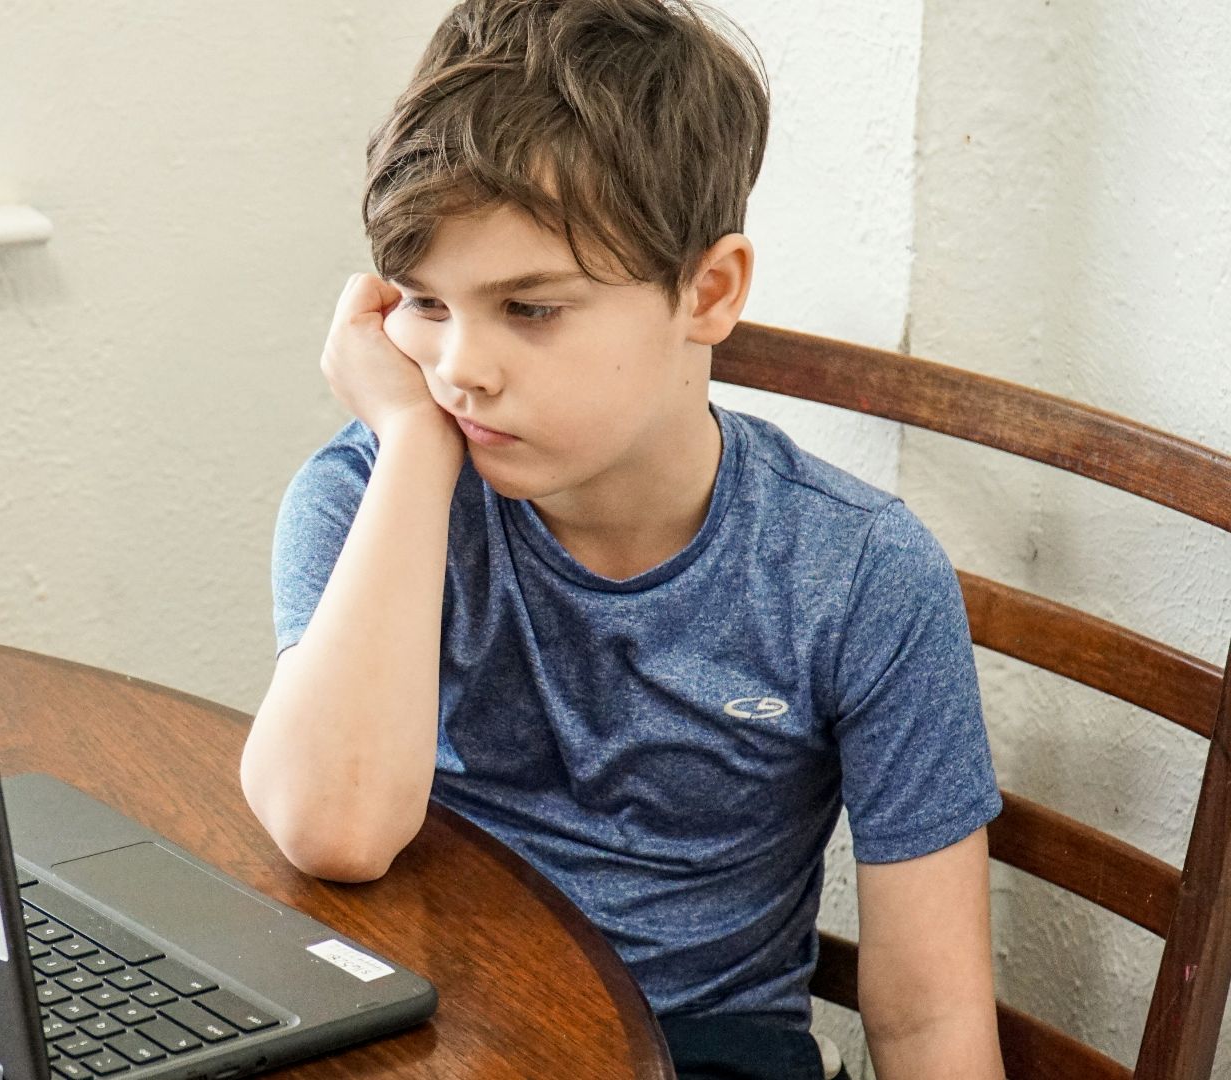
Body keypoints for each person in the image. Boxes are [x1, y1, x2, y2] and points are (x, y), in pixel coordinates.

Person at [237, 2, 1005, 1078]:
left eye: (531, 308)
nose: (463, 367)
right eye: (424, 303)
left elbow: (930, 1020)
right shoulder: (371, 495)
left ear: (709, 289)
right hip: (421, 1030)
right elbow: (335, 830)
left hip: (697, 1053)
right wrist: (414, 443)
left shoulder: (857, 575)